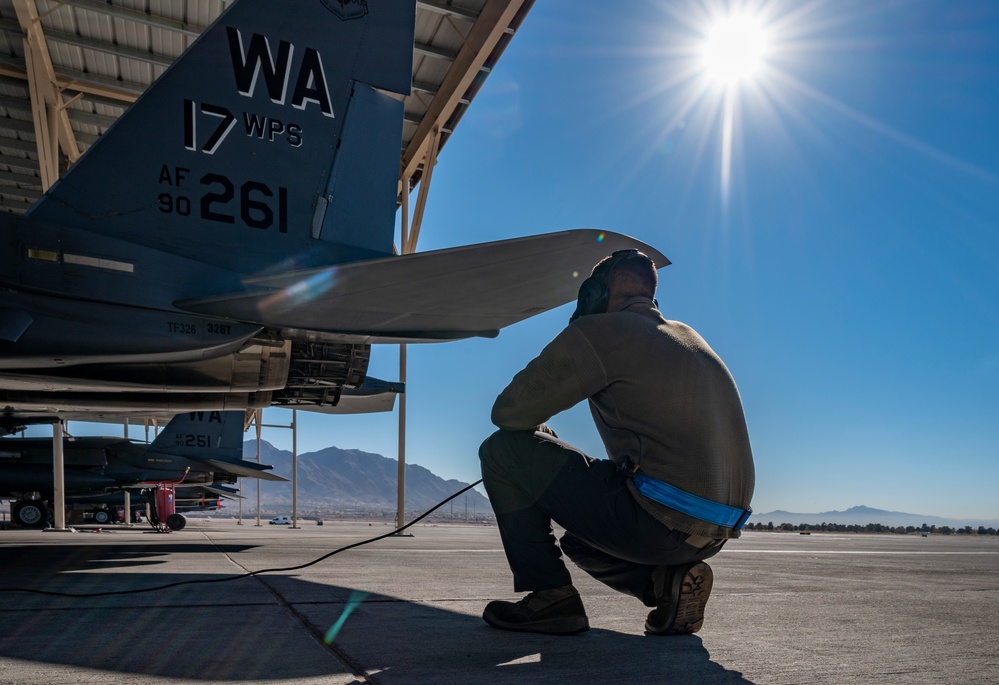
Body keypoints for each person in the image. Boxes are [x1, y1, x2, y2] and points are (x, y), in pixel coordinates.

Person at [478, 249, 754, 636]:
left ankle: (550, 597)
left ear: (592, 293)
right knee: (581, 543)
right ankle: (665, 585)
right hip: (712, 535)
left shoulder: (602, 331)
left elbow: (508, 414)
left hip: (659, 522)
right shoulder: (690, 337)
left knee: (501, 450)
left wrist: (579, 327)